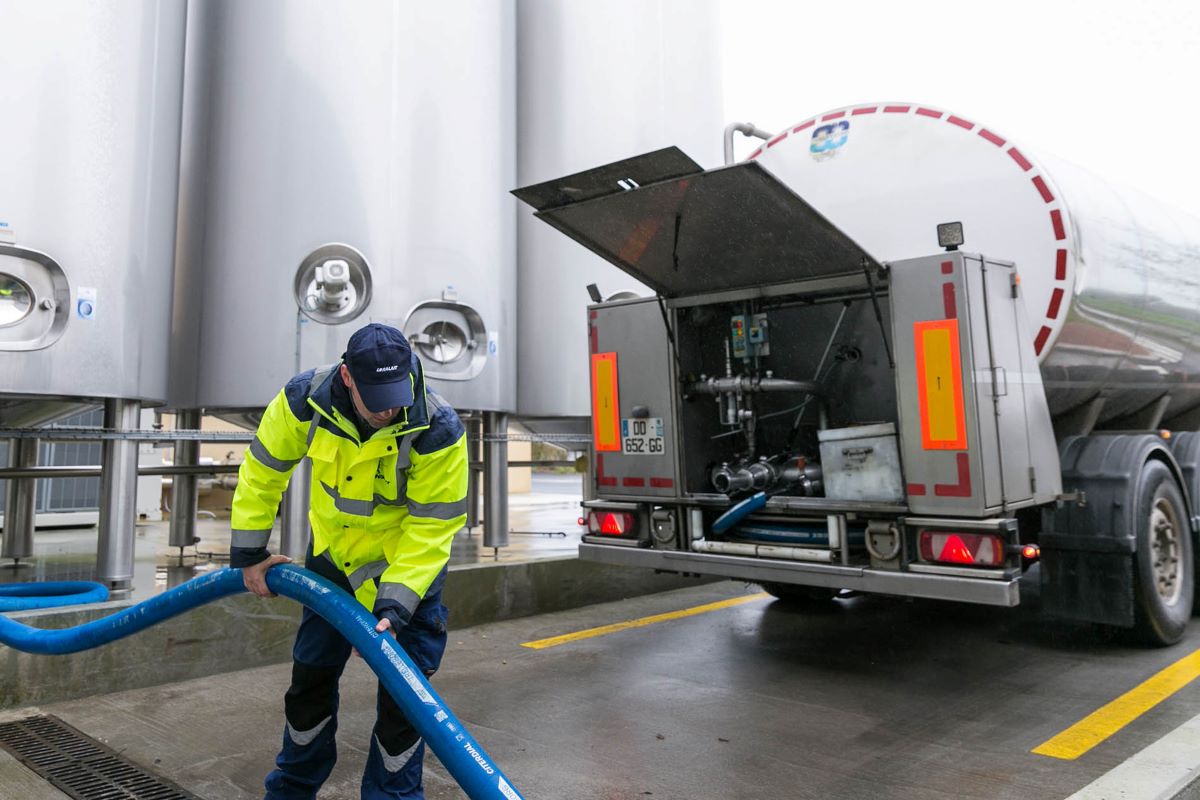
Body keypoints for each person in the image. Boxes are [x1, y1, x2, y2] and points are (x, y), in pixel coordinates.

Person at [229, 322, 468, 800]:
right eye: (376, 395)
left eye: (397, 393)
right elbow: (262, 472)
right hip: (332, 565)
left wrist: (395, 606)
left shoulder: (436, 427)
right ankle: (293, 788)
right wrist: (251, 554)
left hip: (406, 575)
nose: (388, 408)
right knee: (309, 681)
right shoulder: (304, 402)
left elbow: (431, 528)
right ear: (347, 377)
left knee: (405, 703)